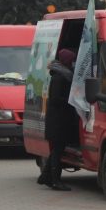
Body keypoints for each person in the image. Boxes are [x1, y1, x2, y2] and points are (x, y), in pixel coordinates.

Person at [38, 49, 77, 191]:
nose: (73, 63)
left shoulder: (61, 75)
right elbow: (55, 99)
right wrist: (71, 100)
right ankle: (55, 180)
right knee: (57, 151)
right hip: (57, 121)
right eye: (72, 60)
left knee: (56, 150)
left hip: (57, 120)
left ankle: (45, 177)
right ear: (66, 61)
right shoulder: (60, 77)